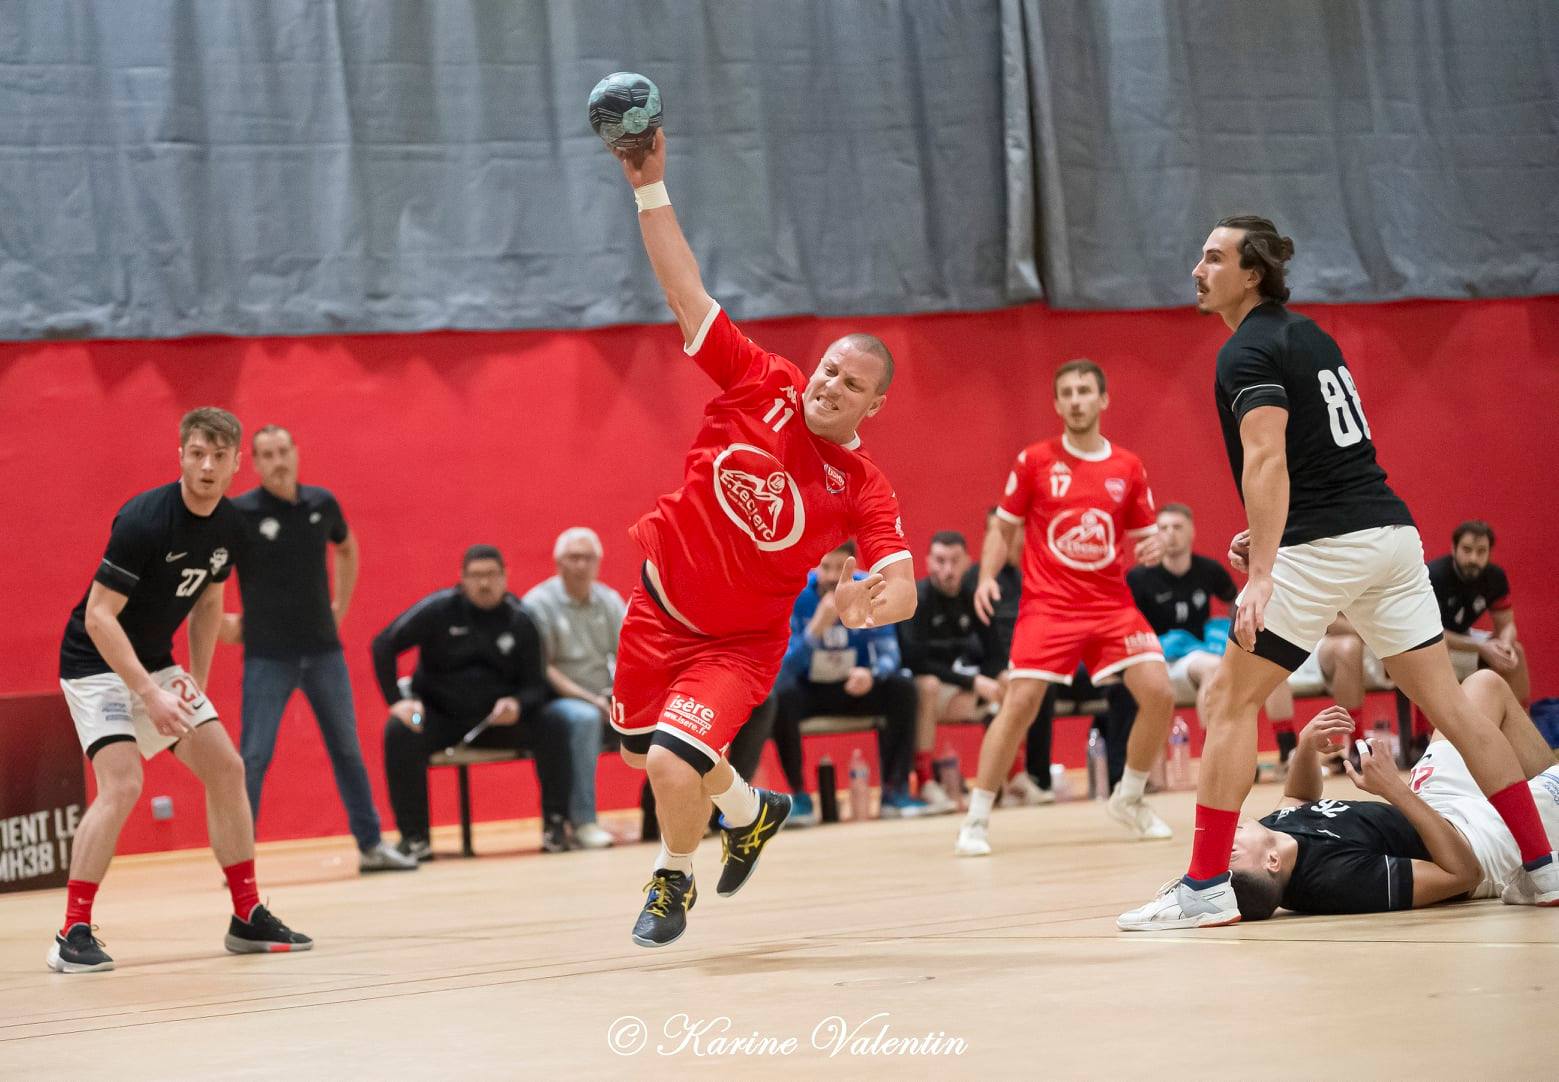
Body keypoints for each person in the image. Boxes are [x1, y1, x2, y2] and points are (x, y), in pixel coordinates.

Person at [1119, 215, 1557, 930]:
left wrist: (1263, 572)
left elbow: (1268, 460)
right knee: (1447, 705)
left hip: (1325, 543)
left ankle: (1203, 888)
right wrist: (1267, 540)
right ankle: (1542, 870)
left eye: (1211, 258)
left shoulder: (1243, 352)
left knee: (1228, 703)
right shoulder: (1310, 336)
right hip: (1387, 533)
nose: (1196, 270)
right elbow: (1322, 458)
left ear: (1250, 273)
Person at [604, 129, 915, 947]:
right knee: (644, 756)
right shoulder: (760, 380)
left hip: (737, 645)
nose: (830, 385)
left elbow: (902, 580)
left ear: (871, 405)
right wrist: (649, 187)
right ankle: (750, 811)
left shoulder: (863, 487)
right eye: (828, 370)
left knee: (672, 765)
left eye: (852, 384)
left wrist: (874, 606)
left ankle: (672, 881)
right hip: (655, 609)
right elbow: (684, 288)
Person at [51, 407, 311, 972]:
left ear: (238, 463)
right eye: (198, 453)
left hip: (155, 663)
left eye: (220, 456)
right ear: (182, 457)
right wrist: (150, 694)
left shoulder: (230, 526)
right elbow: (99, 617)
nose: (208, 466)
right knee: (123, 784)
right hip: (94, 662)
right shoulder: (145, 519)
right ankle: (71, 930)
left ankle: (246, 916)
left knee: (227, 766)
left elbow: (210, 601)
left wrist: (195, 685)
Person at [958, 359, 1175, 857]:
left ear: (1103, 400)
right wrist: (987, 577)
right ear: (1056, 405)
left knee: (1159, 693)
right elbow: (1004, 527)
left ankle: (1130, 798)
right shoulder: (1034, 460)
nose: (1075, 400)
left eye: (1084, 391)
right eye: (1066, 393)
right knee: (1020, 702)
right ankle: (975, 818)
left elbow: (1148, 537)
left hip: (1111, 607)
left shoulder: (1128, 466)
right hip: (1049, 607)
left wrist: (1156, 547)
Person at [221, 425, 415, 873]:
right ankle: (239, 858)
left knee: (347, 748)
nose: (277, 461)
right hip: (267, 656)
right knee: (253, 755)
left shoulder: (321, 503)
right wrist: (220, 628)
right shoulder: (240, 513)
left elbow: (346, 548)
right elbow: (211, 578)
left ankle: (371, 846)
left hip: (324, 651)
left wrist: (339, 609)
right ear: (254, 462)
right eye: (266, 454)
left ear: (296, 452)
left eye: (283, 451)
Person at [1228, 672, 1559, 919]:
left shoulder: (1273, 832)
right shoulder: (1337, 880)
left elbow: (1297, 798)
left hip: (1433, 805)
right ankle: (1546, 813)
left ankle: (1544, 788)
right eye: (1232, 855)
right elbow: (1464, 874)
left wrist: (1305, 748)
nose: (1225, 845)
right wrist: (1394, 789)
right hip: (1482, 842)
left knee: (1486, 686)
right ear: (1271, 862)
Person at [374, 546, 582, 857]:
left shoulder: (521, 620)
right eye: (476, 576)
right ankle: (414, 838)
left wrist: (517, 705)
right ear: (462, 579)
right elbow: (384, 644)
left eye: (491, 575)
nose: (484, 584)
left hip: (494, 723)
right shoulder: (439, 610)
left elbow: (535, 687)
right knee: (401, 730)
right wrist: (396, 701)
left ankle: (555, 825)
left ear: (504, 577)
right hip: (438, 716)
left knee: (552, 722)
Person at [773, 542, 924, 823]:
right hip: (810, 689)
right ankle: (799, 796)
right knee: (780, 696)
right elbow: (784, 669)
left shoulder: (868, 590)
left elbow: (890, 652)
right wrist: (816, 629)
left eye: (840, 569)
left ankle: (895, 792)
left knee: (903, 688)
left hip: (856, 686)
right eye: (826, 567)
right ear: (815, 567)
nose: (832, 577)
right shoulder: (795, 594)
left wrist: (873, 674)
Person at [522, 526, 628, 849]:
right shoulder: (539, 603)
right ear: (559, 563)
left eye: (588, 558)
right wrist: (591, 700)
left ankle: (659, 817)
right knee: (584, 719)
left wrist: (621, 696)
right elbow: (544, 667)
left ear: (598, 562)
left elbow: (628, 654)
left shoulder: (609, 601)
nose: (581, 564)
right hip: (558, 700)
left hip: (603, 695)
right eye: (573, 557)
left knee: (664, 715)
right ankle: (584, 822)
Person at [899, 531, 1003, 815]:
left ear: (967, 562)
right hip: (930, 693)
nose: (947, 570)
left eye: (954, 561)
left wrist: (986, 682)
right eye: (940, 561)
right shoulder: (916, 599)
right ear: (928, 562)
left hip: (965, 692)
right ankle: (924, 780)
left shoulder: (975, 598)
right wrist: (971, 682)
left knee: (1007, 681)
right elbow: (916, 661)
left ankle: (1011, 777)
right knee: (928, 684)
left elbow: (996, 653)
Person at [1127, 503, 1236, 722]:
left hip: (1196, 656)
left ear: (1191, 531)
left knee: (1217, 666)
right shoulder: (1139, 578)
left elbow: (1235, 601)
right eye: (1163, 528)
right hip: (1156, 659)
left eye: (1177, 527)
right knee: (1212, 666)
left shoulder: (1209, 570)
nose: (1170, 534)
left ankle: (1213, 751)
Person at [1428, 520, 1528, 702]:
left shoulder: (1495, 577)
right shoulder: (1434, 576)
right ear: (1453, 548)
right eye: (1467, 550)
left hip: (1465, 636)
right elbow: (1428, 633)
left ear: (1489, 553)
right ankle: (1428, 729)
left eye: (1481, 551)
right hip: (1433, 641)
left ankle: (1520, 721)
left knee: (1515, 651)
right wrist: (1480, 647)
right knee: (1435, 651)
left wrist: (1504, 645)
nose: (1473, 558)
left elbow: (1507, 625)